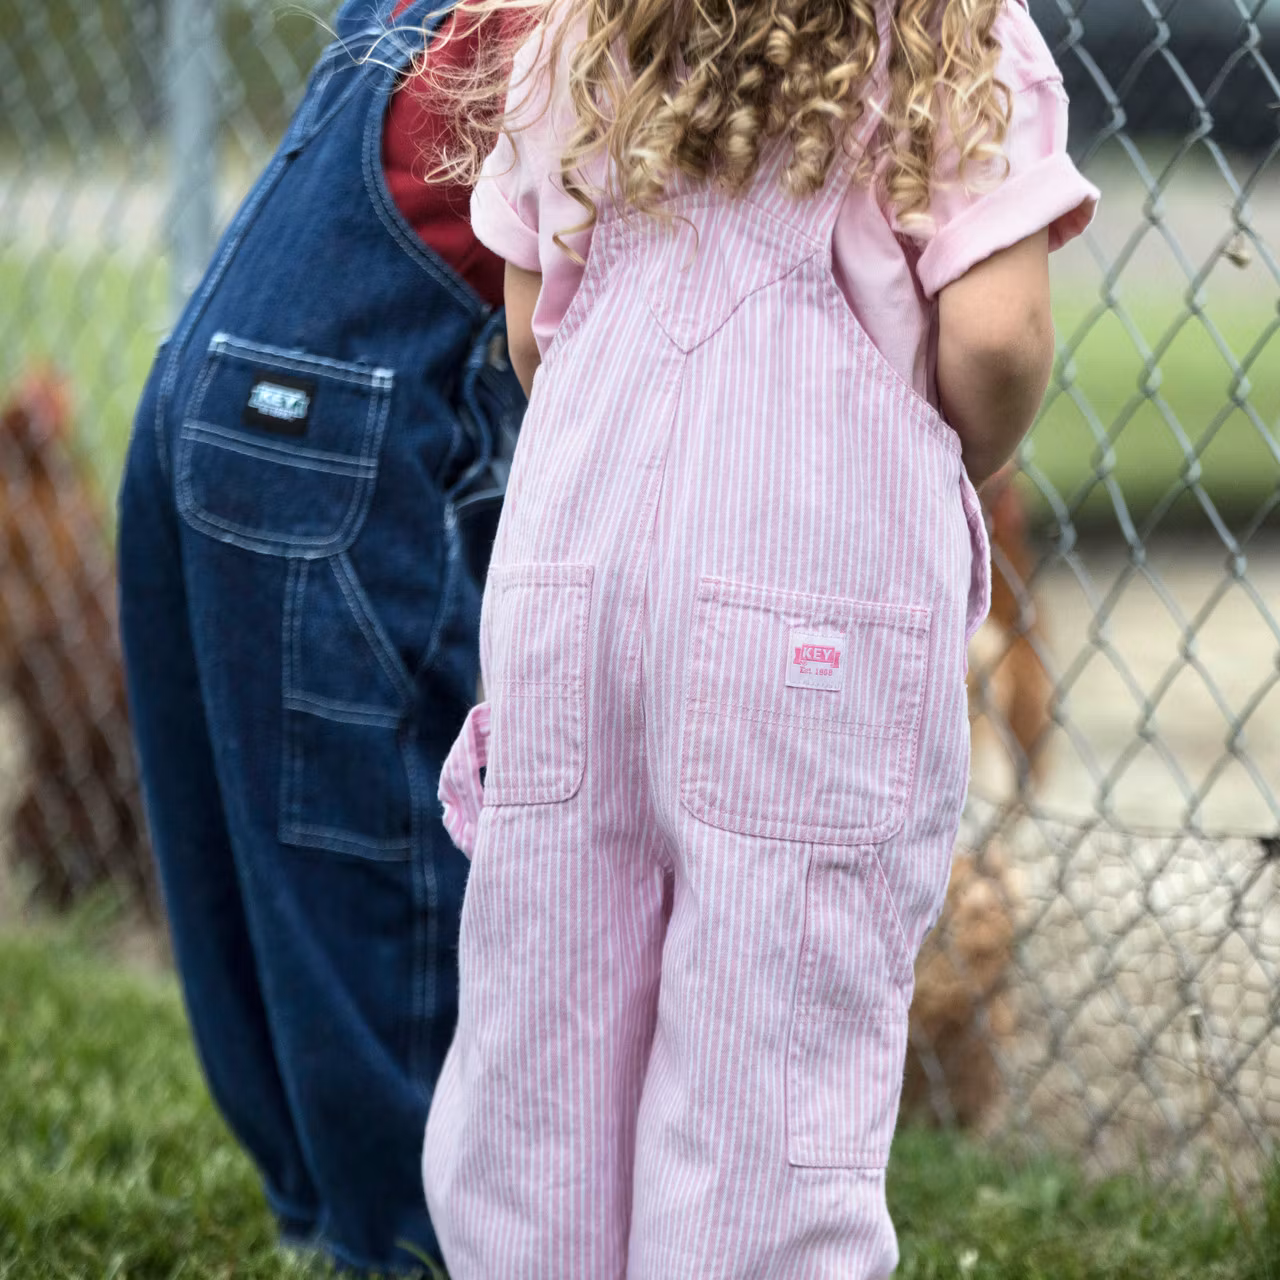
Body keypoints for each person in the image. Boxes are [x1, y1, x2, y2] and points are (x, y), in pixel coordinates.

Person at [421, 0, 1098, 1275]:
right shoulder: (950, 39)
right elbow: (996, 334)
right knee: (769, 1035)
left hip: (574, 580)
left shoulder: (577, 36)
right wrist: (943, 448)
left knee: (548, 1016)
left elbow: (529, 332)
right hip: (810, 599)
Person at [116, 1, 524, 1271]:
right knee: (294, 850)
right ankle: (363, 1213)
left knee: (337, 848)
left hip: (280, 412)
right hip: (265, 418)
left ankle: (376, 1217)